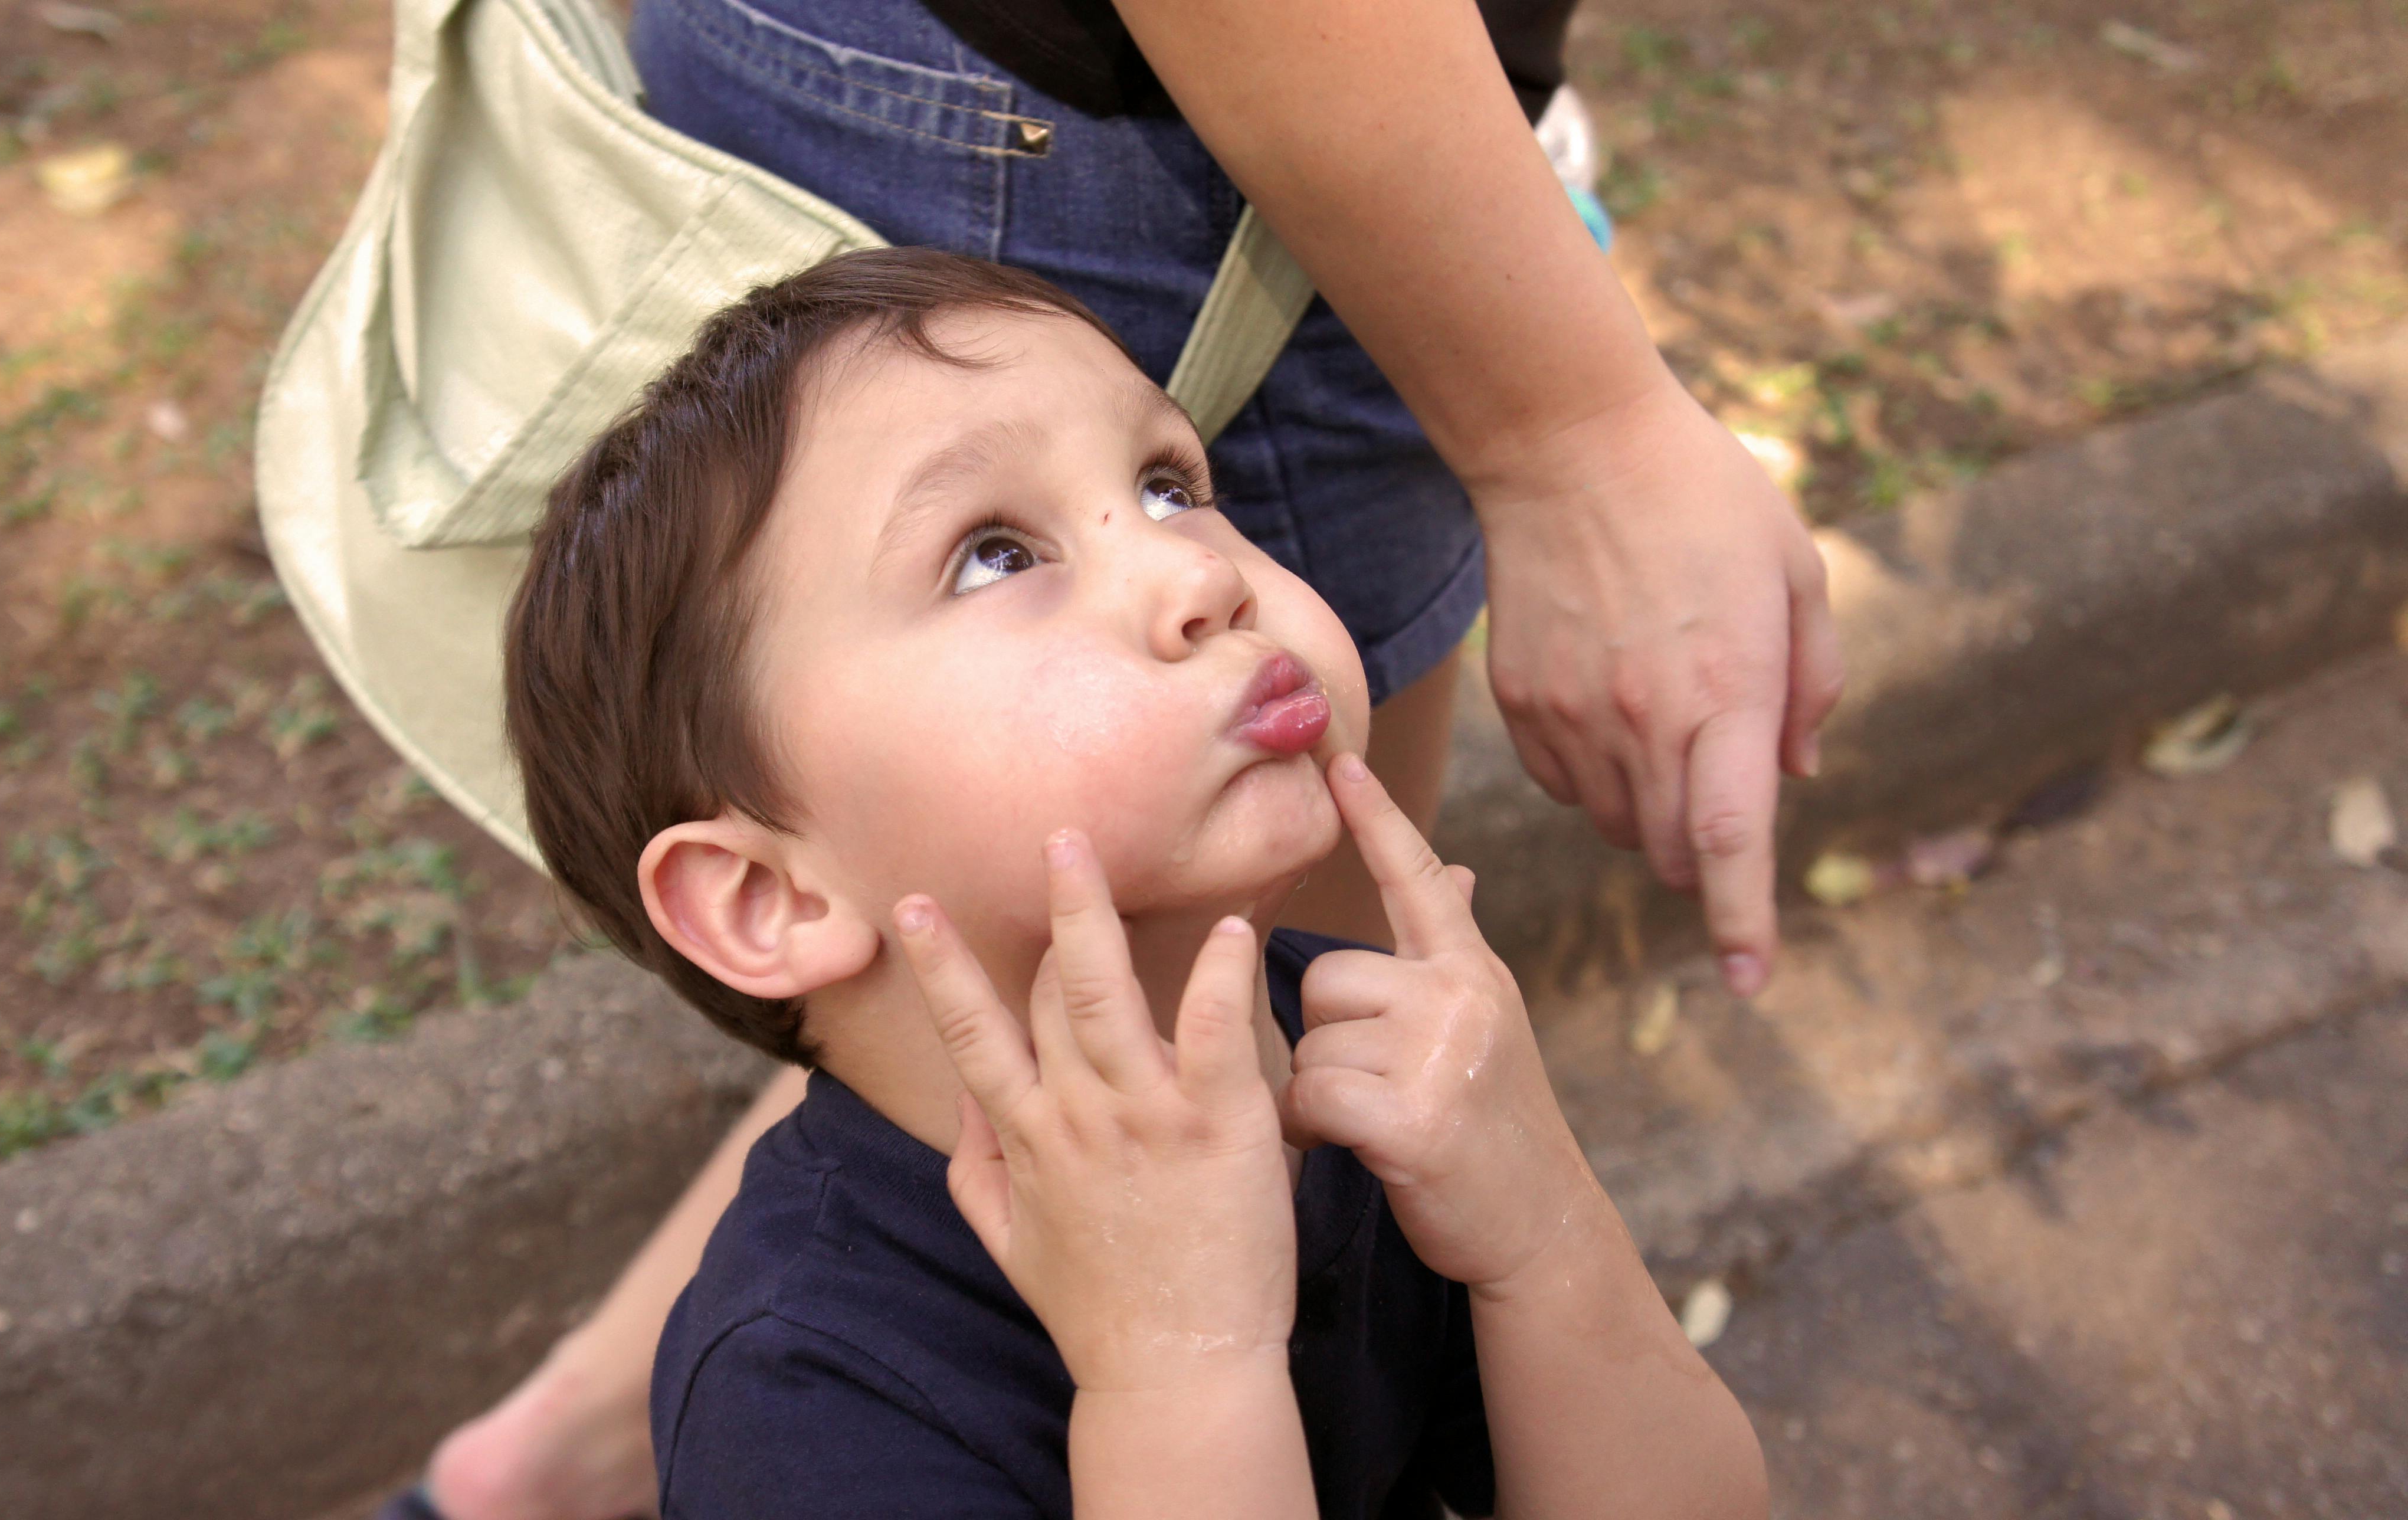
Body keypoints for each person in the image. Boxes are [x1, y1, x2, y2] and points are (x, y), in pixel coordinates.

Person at [417, 1, 1841, 1514]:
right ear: (764, 897)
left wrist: (1546, 1232)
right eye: (991, 554)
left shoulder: (1364, 1075)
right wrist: (1183, 1361)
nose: (1199, 577)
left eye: (1169, 483)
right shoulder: (805, 1394)